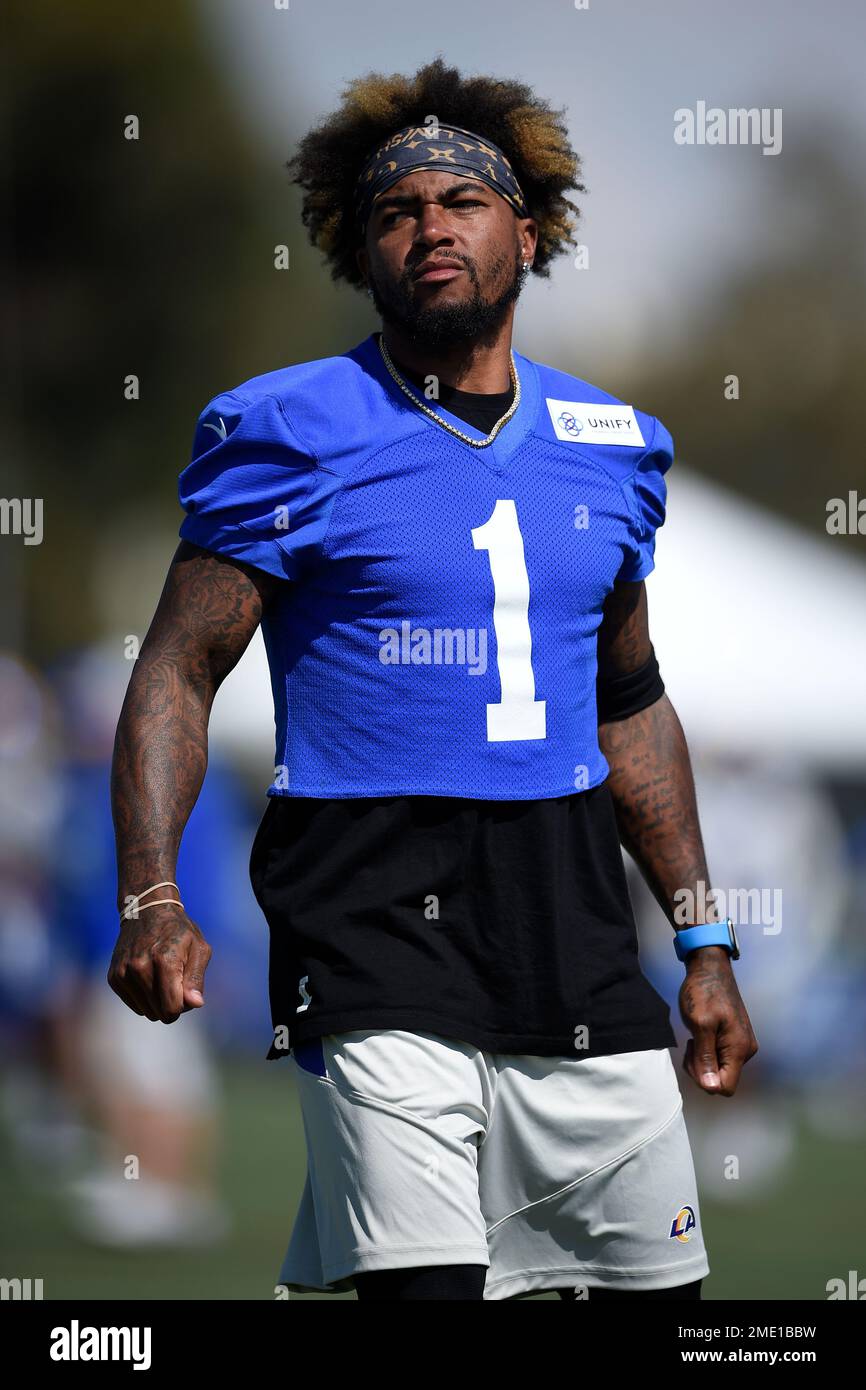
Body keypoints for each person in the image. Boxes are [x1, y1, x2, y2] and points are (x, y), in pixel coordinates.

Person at [108, 57, 758, 1301]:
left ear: (527, 226)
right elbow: (176, 671)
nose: (429, 227)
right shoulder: (284, 427)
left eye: (460, 200)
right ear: (363, 251)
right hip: (368, 915)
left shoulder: (613, 446)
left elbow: (629, 703)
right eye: (395, 212)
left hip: (571, 928)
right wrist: (151, 895)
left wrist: (705, 941)